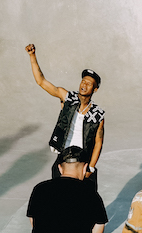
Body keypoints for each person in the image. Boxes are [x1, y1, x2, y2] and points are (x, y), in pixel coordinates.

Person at [25, 43, 104, 187]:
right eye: (83, 81)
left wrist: (91, 168)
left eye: (89, 83)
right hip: (64, 158)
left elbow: (98, 143)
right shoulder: (68, 98)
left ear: (95, 89)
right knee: (59, 195)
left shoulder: (97, 114)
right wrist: (32, 56)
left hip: (83, 162)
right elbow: (41, 81)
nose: (84, 85)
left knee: (85, 197)